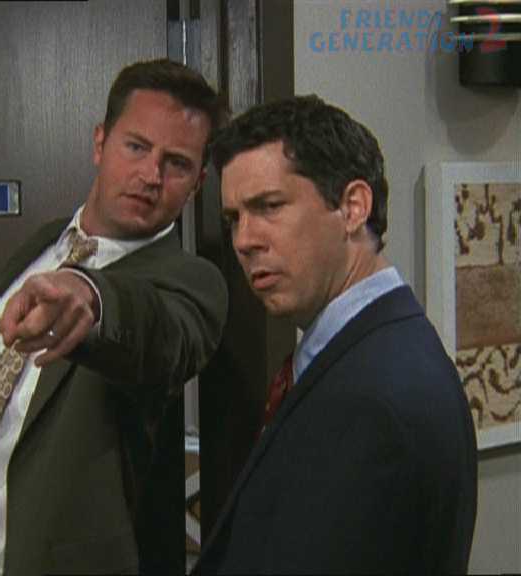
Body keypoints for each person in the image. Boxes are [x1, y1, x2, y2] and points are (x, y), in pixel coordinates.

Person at [0, 59, 228, 575]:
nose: (150, 176)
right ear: (100, 144)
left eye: (176, 164)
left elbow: (161, 337)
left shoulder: (189, 283)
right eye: (136, 147)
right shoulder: (42, 245)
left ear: (197, 183)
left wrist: (91, 296)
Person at [193, 95, 477, 574]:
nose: (244, 240)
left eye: (269, 206)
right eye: (234, 218)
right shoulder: (372, 349)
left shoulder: (376, 393)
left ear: (352, 207)